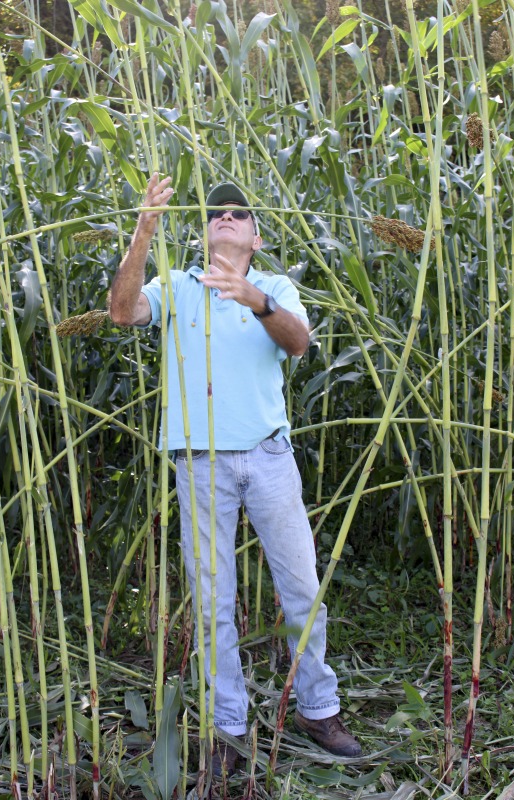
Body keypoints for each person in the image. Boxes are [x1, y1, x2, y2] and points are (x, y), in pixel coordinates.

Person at [109, 173, 362, 776]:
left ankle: (317, 707)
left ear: (255, 234)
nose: (225, 215)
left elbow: (299, 343)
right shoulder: (177, 285)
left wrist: (256, 299)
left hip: (269, 458)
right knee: (213, 601)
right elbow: (122, 311)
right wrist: (144, 227)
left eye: (238, 213)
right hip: (199, 462)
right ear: (204, 233)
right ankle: (227, 725)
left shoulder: (275, 286)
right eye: (216, 212)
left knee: (303, 588)